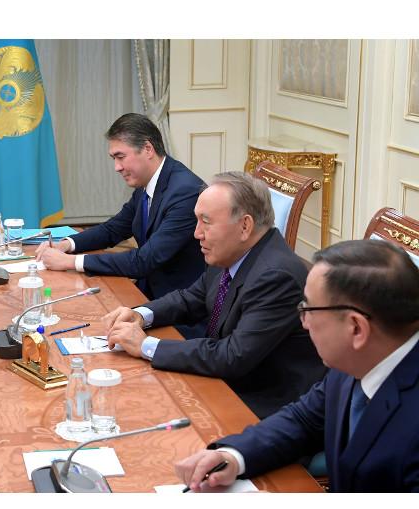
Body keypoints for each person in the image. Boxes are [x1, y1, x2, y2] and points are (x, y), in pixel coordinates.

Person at [175, 239, 419, 492]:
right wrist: (233, 456)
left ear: (356, 328)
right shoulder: (355, 360)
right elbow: (304, 420)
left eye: (309, 309)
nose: (303, 322)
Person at [103, 171, 325, 419]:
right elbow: (190, 299)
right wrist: (140, 315)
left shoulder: (275, 276)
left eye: (206, 222)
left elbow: (232, 356)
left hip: (262, 405)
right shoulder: (232, 251)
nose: (197, 233)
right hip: (224, 382)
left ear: (245, 226)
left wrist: (145, 346)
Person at [35, 113, 205, 301]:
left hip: (178, 305)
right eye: (114, 159)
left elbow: (144, 260)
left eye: (121, 157)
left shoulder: (184, 192)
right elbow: (113, 229)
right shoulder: (147, 183)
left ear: (148, 149)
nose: (117, 167)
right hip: (148, 292)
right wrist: (65, 245)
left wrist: (71, 261)